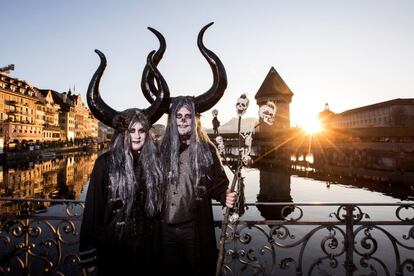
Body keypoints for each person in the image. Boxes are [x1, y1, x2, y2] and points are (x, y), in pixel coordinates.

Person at [79, 49, 167, 275]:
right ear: (122, 134)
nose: (137, 136)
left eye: (141, 131)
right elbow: (92, 213)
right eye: (131, 131)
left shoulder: (155, 164)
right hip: (114, 249)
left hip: (149, 251)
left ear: (147, 133)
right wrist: (89, 258)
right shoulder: (104, 164)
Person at [160, 97, 236, 276]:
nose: (184, 120)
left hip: (193, 229)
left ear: (194, 119)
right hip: (164, 230)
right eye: (179, 116)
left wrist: (227, 197)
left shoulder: (206, 149)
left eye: (188, 115)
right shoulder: (161, 148)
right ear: (172, 120)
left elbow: (218, 184)